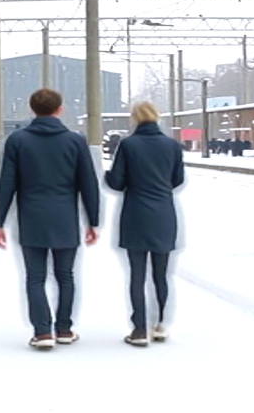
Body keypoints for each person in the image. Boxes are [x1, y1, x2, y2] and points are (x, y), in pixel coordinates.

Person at [0, 88, 101, 351]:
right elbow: (89, 184)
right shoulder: (75, 141)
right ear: (59, 109)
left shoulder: (17, 141)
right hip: (65, 218)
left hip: (31, 217)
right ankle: (64, 328)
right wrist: (92, 221)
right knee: (65, 275)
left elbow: (7, 184)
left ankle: (42, 332)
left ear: (32, 109)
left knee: (35, 277)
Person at [104, 100, 185, 347]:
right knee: (161, 275)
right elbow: (177, 179)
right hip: (164, 215)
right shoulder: (172, 145)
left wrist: (108, 175)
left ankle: (139, 329)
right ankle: (160, 325)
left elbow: (116, 182)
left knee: (137, 275)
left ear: (135, 119)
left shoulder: (129, 145)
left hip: (136, 214)